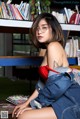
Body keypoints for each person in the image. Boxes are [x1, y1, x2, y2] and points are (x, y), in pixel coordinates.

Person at [12, 13, 80, 119]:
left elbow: (57, 85)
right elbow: (42, 85)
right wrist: (27, 102)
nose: (39, 31)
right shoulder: (47, 50)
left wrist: (35, 105)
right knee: (20, 113)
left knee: (23, 116)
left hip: (71, 100)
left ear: (53, 29)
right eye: (37, 28)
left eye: (44, 28)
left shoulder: (54, 46)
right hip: (59, 98)